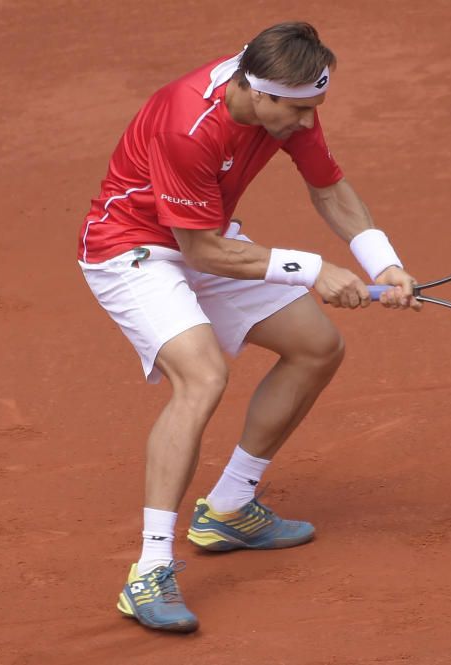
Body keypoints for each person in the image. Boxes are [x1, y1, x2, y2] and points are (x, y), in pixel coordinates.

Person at [76, 22, 420, 633]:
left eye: (317, 106)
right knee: (202, 376)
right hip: (134, 251)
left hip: (206, 237)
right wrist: (312, 269)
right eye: (298, 110)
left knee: (317, 347)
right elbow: (201, 251)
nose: (309, 122)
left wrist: (383, 262)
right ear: (259, 95)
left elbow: (329, 188)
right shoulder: (189, 125)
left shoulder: (287, 103)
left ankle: (230, 507)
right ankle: (151, 568)